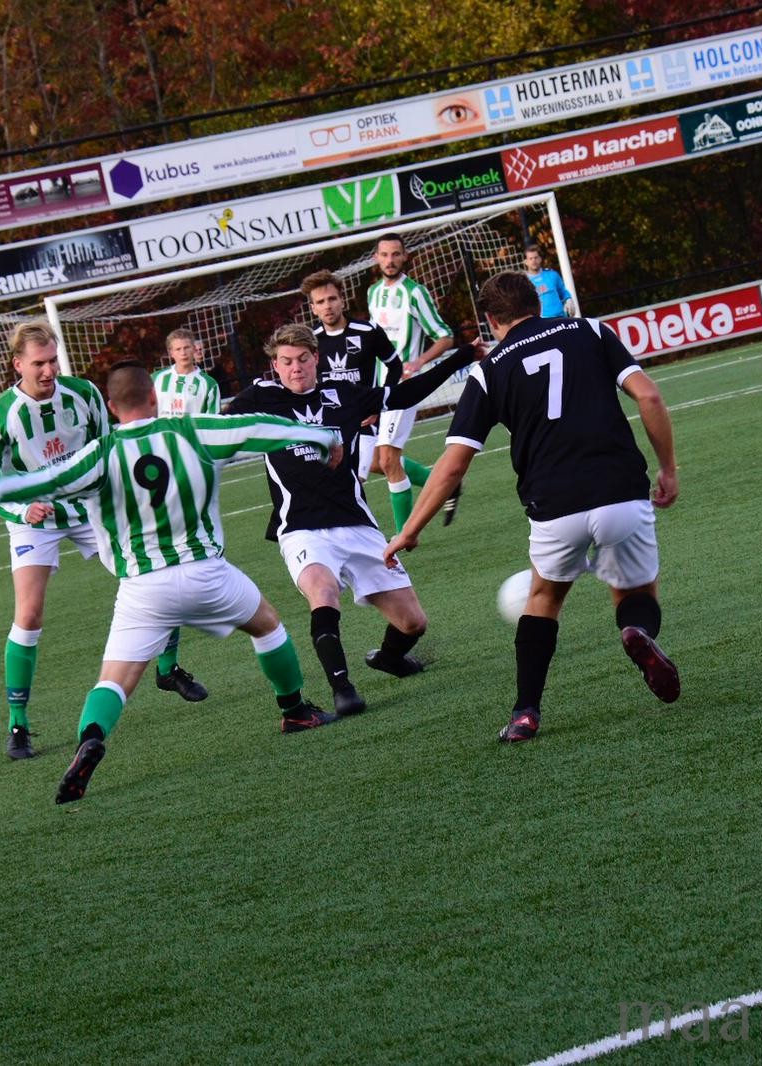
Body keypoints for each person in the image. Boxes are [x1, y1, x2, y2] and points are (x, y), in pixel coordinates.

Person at [0, 362, 348, 804]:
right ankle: (294, 711)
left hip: (143, 589)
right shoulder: (191, 431)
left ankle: (91, 738)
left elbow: (46, 479)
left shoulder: (98, 455)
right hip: (207, 574)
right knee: (268, 626)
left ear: (111, 407)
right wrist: (321, 437)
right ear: (154, 398)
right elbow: (255, 427)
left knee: (113, 681)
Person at [382, 272, 681, 743]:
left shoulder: (488, 370)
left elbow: (453, 465)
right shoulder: (590, 330)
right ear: (537, 303)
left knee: (543, 599)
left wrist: (410, 529)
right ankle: (635, 633)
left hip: (553, 505)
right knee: (635, 593)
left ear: (491, 320)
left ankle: (525, 712)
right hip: (619, 488)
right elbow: (649, 395)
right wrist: (668, 469)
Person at [226, 323, 477, 715]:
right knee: (323, 592)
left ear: (316, 358)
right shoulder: (260, 399)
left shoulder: (342, 394)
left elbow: (404, 394)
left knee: (413, 623)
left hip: (356, 523)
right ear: (275, 365)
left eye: (303, 359)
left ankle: (389, 657)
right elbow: (217, 425)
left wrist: (461, 356)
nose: (295, 368)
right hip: (302, 529)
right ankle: (342, 689)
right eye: (286, 361)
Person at [0, 320, 110, 760]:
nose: (49, 370)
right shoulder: (0, 416)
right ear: (18, 364)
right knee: (29, 614)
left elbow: (108, 448)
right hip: (34, 517)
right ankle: (18, 724)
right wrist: (22, 510)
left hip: (87, 507)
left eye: (53, 360)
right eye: (38, 363)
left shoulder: (84, 394)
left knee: (149, 572)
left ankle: (168, 668)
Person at [302, 270, 467, 528]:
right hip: (334, 422)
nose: (328, 306)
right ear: (313, 308)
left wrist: (379, 405)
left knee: (361, 476)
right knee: (379, 464)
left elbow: (394, 365)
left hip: (366, 418)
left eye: (332, 299)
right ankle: (445, 484)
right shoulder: (310, 342)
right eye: (320, 302)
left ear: (342, 300)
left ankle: (401, 536)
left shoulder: (368, 331)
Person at [145, 326, 222, 702]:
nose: (184, 353)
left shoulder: (207, 385)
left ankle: (167, 666)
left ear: (197, 349)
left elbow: (211, 427)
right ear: (170, 353)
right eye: (177, 348)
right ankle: (165, 666)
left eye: (188, 347)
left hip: (189, 472)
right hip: (156, 473)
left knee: (177, 571)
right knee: (168, 574)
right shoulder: (158, 381)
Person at [365, 233, 459, 532]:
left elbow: (445, 336)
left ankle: (403, 536)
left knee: (388, 459)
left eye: (396, 254)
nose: (390, 260)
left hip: (403, 388)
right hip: (377, 388)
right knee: (373, 461)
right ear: (376, 258)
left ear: (405, 256)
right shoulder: (373, 293)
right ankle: (444, 485)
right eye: (384, 255)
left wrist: (419, 361)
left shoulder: (415, 293)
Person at [523, 242, 575, 318]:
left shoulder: (552, 275)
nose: (534, 260)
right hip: (541, 320)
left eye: (536, 257)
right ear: (526, 262)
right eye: (530, 258)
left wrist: (568, 299)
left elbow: (563, 291)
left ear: (540, 259)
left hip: (560, 317)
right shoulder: (524, 282)